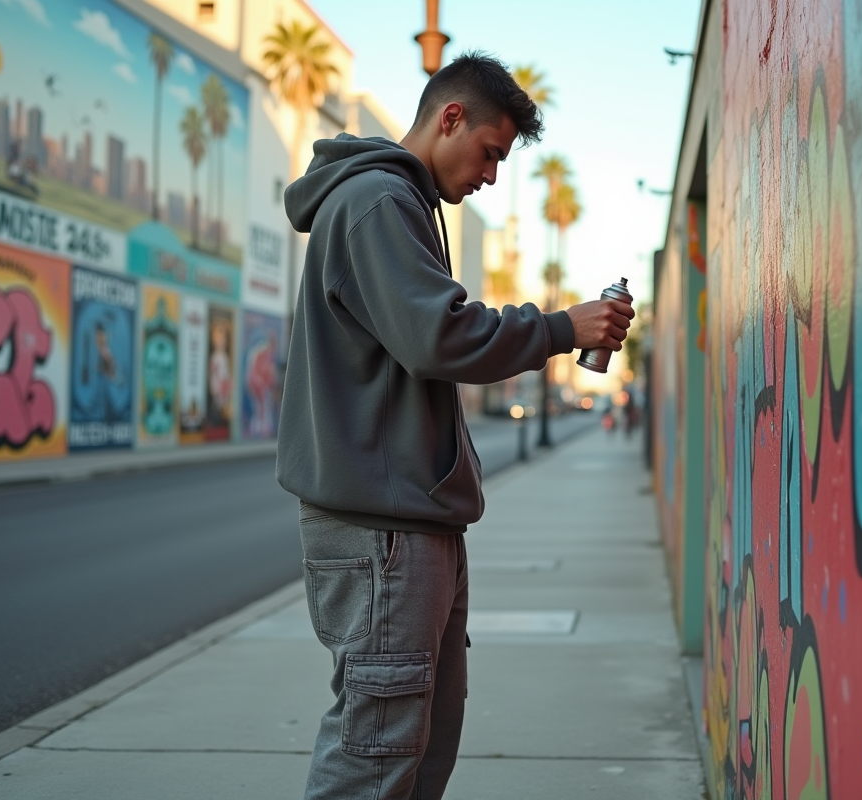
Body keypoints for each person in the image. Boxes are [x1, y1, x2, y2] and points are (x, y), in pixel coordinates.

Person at [276, 52, 633, 800]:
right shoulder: (378, 202)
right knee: (375, 754)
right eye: (491, 153)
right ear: (449, 118)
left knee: (416, 742)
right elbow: (439, 336)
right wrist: (562, 327)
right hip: (383, 533)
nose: (492, 176)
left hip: (405, 524)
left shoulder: (395, 202)